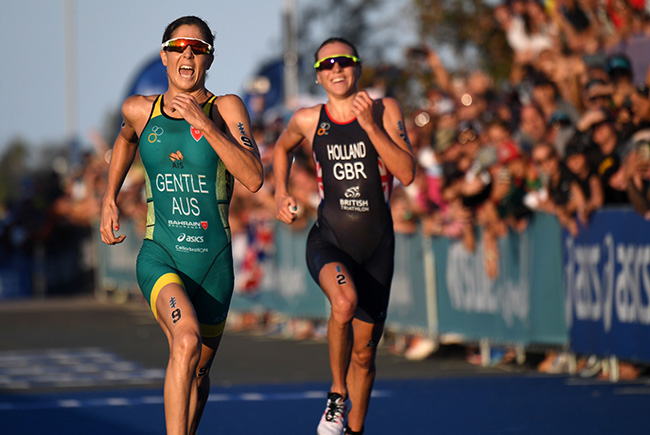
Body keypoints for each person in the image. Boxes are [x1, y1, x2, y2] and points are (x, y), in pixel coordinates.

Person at [99, 16, 263, 435]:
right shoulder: (140, 109)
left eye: (198, 47)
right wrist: (109, 197)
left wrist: (205, 125)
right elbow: (125, 140)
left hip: (213, 266)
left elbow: (254, 176)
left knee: (199, 372)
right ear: (164, 55)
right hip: (162, 253)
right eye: (179, 46)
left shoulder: (225, 108)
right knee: (185, 340)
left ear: (209, 58)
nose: (187, 54)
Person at [273, 37, 415, 435]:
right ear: (318, 76)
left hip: (376, 248)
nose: (336, 69)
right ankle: (336, 395)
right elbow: (282, 149)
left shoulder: (385, 110)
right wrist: (281, 192)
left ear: (358, 68)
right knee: (344, 302)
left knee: (365, 357)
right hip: (329, 239)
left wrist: (370, 125)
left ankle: (354, 429)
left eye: (344, 61)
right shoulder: (307, 119)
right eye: (327, 64)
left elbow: (406, 172)